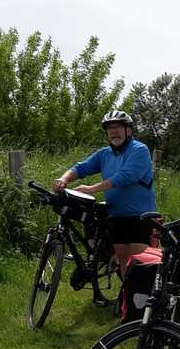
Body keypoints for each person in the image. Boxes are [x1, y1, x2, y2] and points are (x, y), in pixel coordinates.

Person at [53, 110, 157, 275]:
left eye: (118, 127)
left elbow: (126, 176)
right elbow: (82, 167)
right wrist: (64, 178)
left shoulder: (140, 150)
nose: (114, 131)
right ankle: (127, 298)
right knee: (122, 256)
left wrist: (92, 188)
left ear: (128, 130)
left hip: (141, 215)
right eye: (110, 128)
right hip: (116, 214)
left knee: (141, 258)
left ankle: (146, 298)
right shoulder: (104, 154)